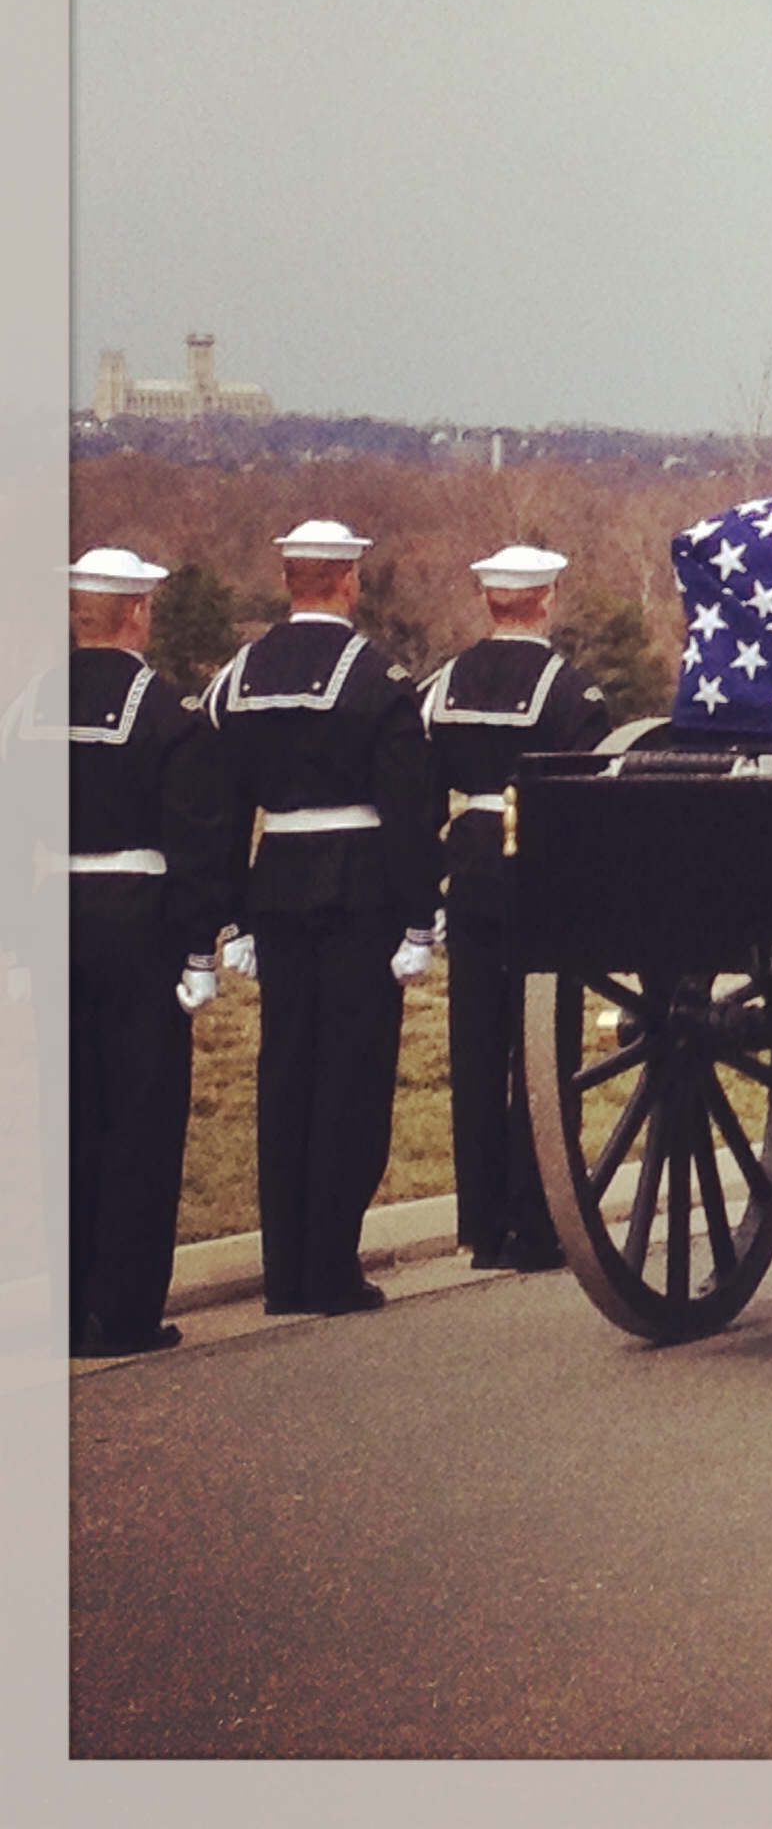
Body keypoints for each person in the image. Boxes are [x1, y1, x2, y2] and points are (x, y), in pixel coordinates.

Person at [204, 519, 439, 1318]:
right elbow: (408, 807)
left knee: (285, 1074)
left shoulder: (238, 676)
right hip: (360, 889)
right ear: (348, 582)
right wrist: (419, 916)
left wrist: (233, 915)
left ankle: (286, 1273)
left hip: (277, 884)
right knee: (351, 1077)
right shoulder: (377, 676)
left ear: (287, 582)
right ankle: (331, 1267)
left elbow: (223, 805)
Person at [420, 543, 610, 1271]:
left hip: (469, 866)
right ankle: (537, 1219)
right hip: (539, 872)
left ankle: (482, 1225)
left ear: (487, 601)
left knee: (475, 1051)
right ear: (547, 599)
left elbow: (417, 790)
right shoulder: (571, 691)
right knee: (544, 1054)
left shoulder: (443, 685)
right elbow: (585, 803)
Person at [61, 547, 232, 1357]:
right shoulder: (166, 710)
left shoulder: (24, 702)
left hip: (48, 917)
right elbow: (195, 839)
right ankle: (122, 1311)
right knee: (140, 1118)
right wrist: (199, 948)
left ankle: (64, 1303)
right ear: (136, 613)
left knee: (67, 1115)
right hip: (136, 925)